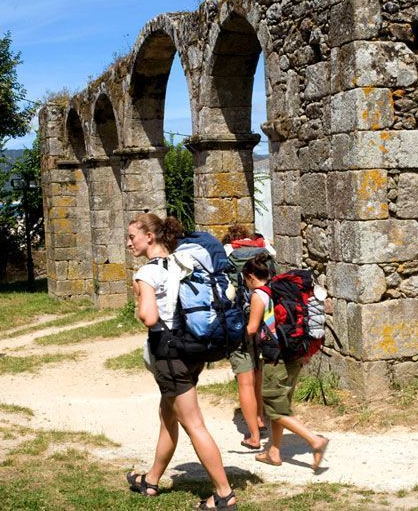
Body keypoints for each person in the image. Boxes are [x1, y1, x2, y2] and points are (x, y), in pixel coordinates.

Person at [125, 213, 237, 510]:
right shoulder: (181, 262)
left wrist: (140, 299)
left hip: (169, 355)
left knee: (193, 424)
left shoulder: (147, 272)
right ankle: (151, 480)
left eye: (132, 236)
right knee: (168, 415)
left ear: (150, 237)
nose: (129, 243)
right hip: (191, 350)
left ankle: (224, 494)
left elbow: (149, 317)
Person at [242, 253, 329, 471]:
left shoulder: (259, 295)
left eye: (245, 278)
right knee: (281, 405)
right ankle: (274, 451)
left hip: (276, 359)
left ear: (250, 276)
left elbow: (252, 329)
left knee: (274, 409)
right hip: (294, 355)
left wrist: (230, 338)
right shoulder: (281, 290)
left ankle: (315, 441)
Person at [220, 224, 269, 450]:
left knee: (245, 379)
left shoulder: (227, 258)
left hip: (239, 325)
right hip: (260, 323)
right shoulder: (262, 253)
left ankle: (253, 436)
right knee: (258, 371)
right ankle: (260, 417)